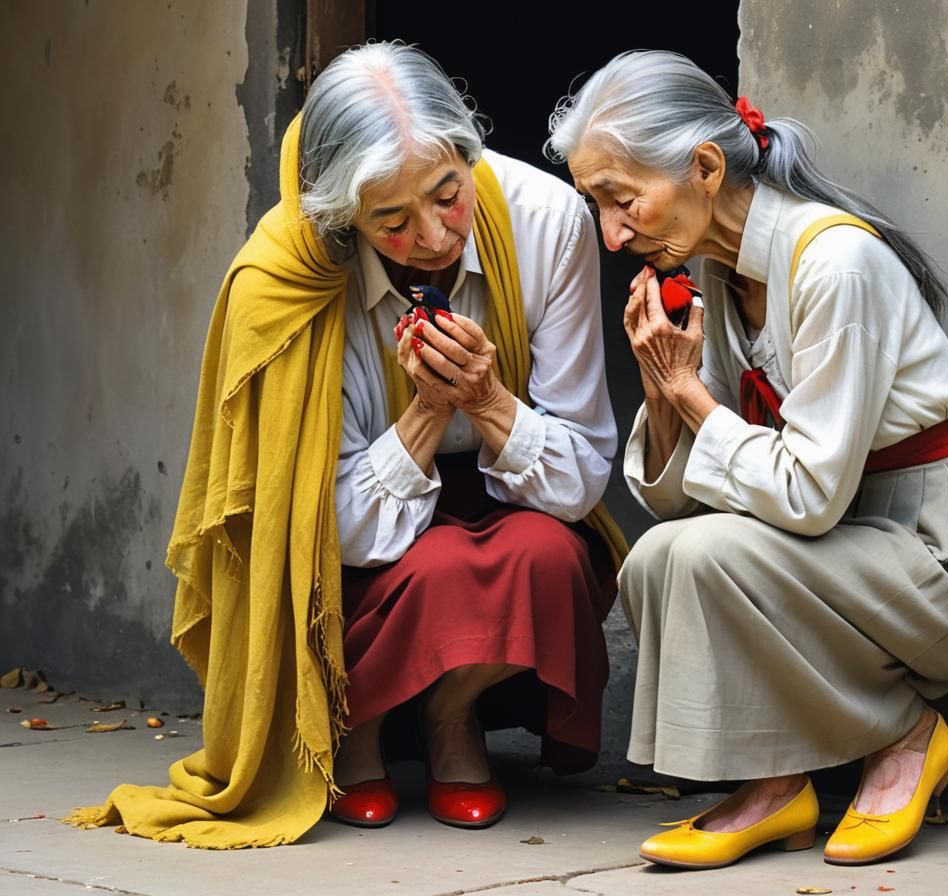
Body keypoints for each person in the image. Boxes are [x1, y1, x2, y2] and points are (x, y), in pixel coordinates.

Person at [64, 41, 626, 849]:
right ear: (342, 219)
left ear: (469, 156)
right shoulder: (286, 276)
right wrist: (427, 417)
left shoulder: (546, 221)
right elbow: (316, 528)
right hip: (355, 544)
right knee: (422, 564)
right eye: (391, 222)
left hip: (507, 501)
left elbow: (576, 483)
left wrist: (489, 402)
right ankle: (354, 725)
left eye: (447, 196)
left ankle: (449, 715)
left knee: (550, 558)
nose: (432, 237)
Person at [545, 49, 948, 870]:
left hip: (942, 557)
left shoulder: (837, 264)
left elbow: (805, 496)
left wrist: (691, 395)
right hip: (844, 546)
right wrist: (666, 395)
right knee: (656, 560)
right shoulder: (719, 273)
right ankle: (774, 785)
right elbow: (680, 505)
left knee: (696, 554)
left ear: (702, 167)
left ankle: (906, 735)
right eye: (596, 203)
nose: (612, 233)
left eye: (622, 199)